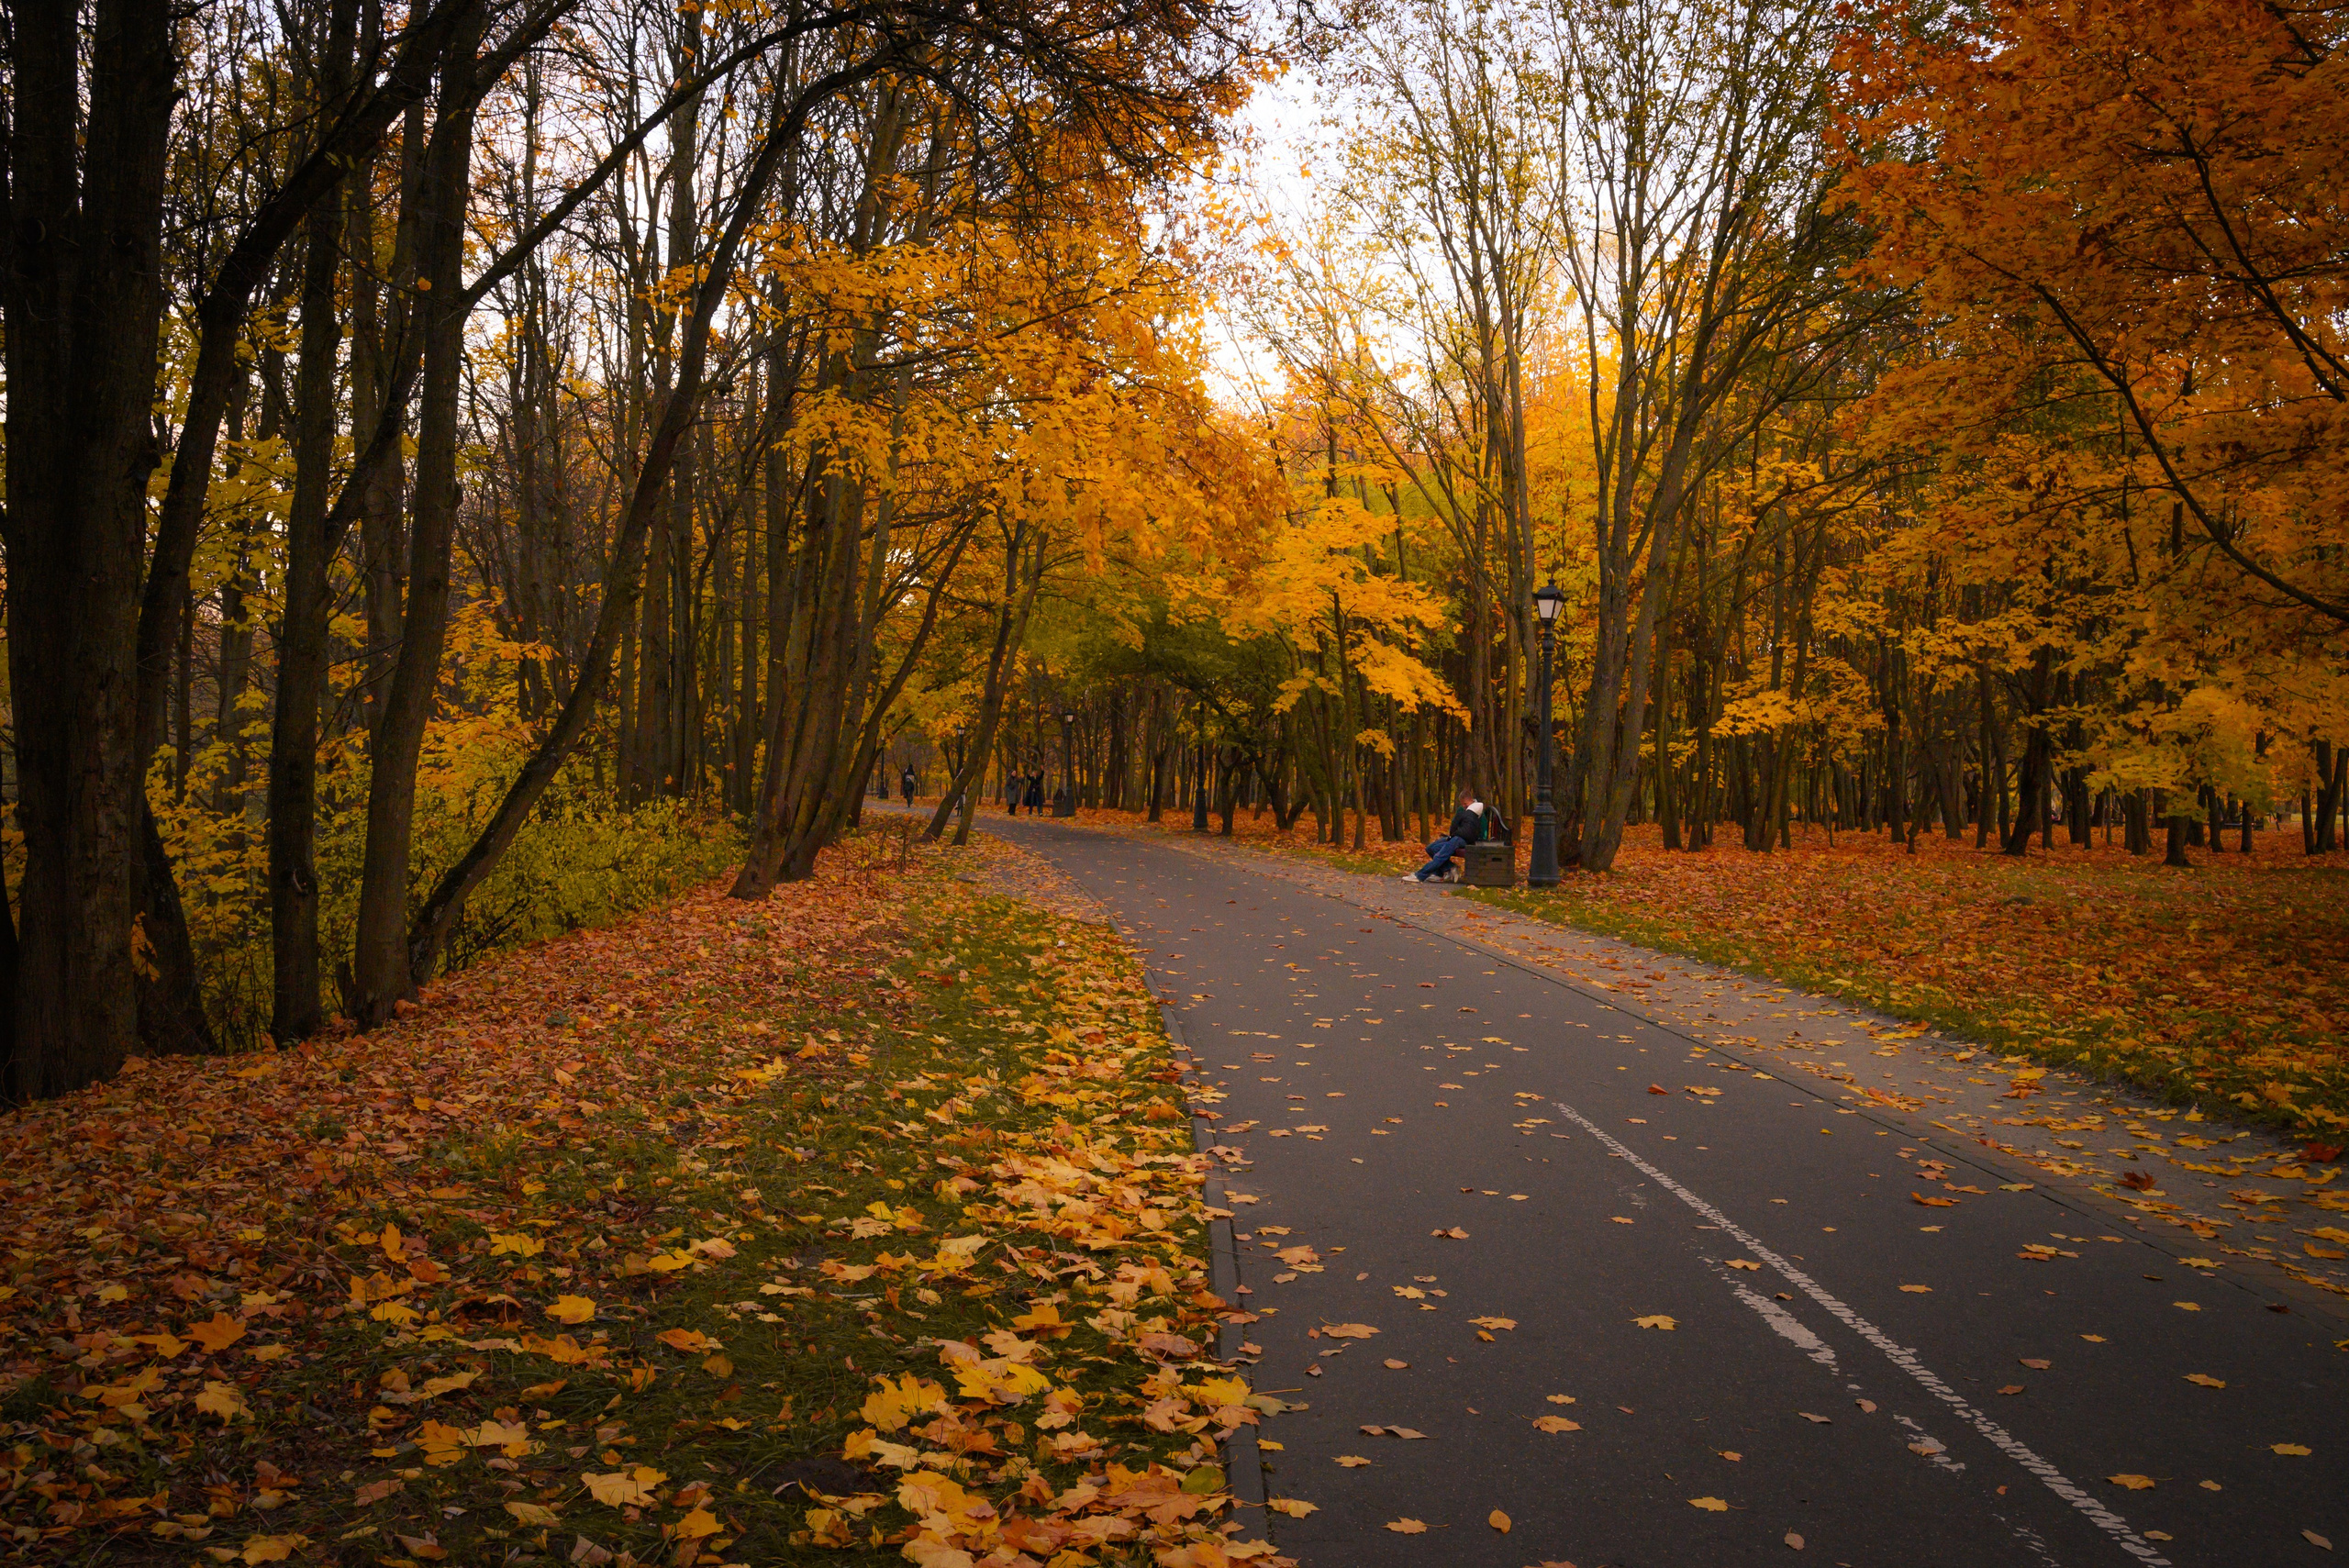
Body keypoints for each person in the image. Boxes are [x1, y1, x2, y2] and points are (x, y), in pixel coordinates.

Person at [1404, 788, 1489, 884]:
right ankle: (1448, 868)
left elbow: (1473, 832)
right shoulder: (1463, 810)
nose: (1464, 806)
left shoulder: (1477, 812)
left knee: (1441, 854)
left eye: (1465, 804)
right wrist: (1453, 834)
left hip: (1466, 840)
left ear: (1471, 800)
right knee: (1432, 848)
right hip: (1457, 836)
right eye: (1462, 804)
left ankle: (1420, 875)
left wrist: (1456, 834)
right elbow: (1456, 824)